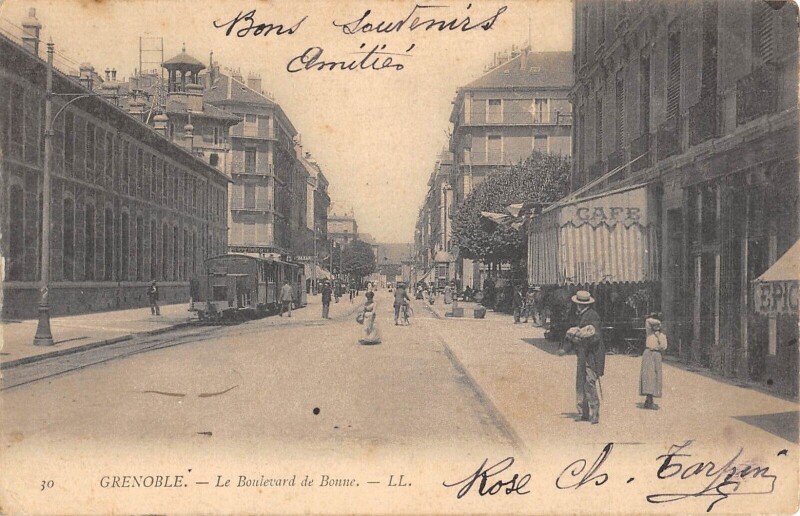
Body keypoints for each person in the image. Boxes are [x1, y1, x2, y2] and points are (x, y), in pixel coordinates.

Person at [563, 290, 605, 424]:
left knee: (589, 383)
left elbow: (595, 337)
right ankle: (584, 413)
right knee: (581, 382)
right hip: (582, 354)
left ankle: (594, 412)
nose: (577, 306)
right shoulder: (580, 315)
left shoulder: (592, 316)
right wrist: (566, 347)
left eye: (579, 304)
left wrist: (579, 339)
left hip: (592, 355)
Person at [640, 314, 668, 410]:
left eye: (658, 325)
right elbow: (648, 320)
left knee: (655, 377)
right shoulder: (649, 332)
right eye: (655, 325)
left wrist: (659, 336)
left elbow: (663, 346)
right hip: (648, 353)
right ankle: (648, 399)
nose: (657, 327)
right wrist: (658, 321)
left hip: (657, 355)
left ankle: (650, 400)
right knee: (648, 376)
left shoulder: (662, 336)